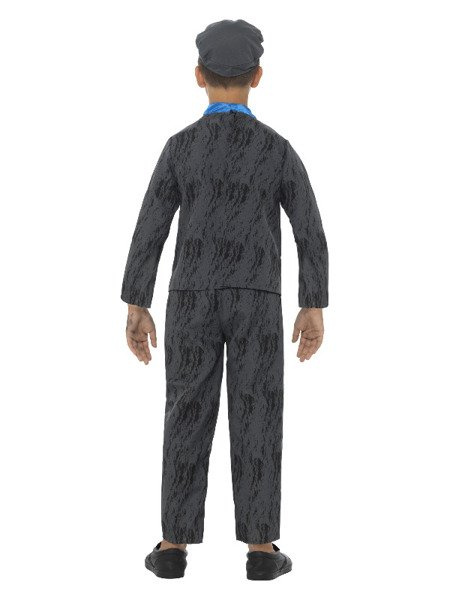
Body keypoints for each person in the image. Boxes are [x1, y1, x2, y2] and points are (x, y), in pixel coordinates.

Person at [120, 18, 329, 580]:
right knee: (258, 410)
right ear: (258, 76)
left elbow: (150, 227)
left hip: (190, 295)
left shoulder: (179, 148)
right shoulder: (277, 150)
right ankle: (261, 550)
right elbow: (309, 228)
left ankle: (172, 546)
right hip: (258, 297)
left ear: (198, 76)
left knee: (185, 409)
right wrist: (312, 302)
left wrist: (137, 302)